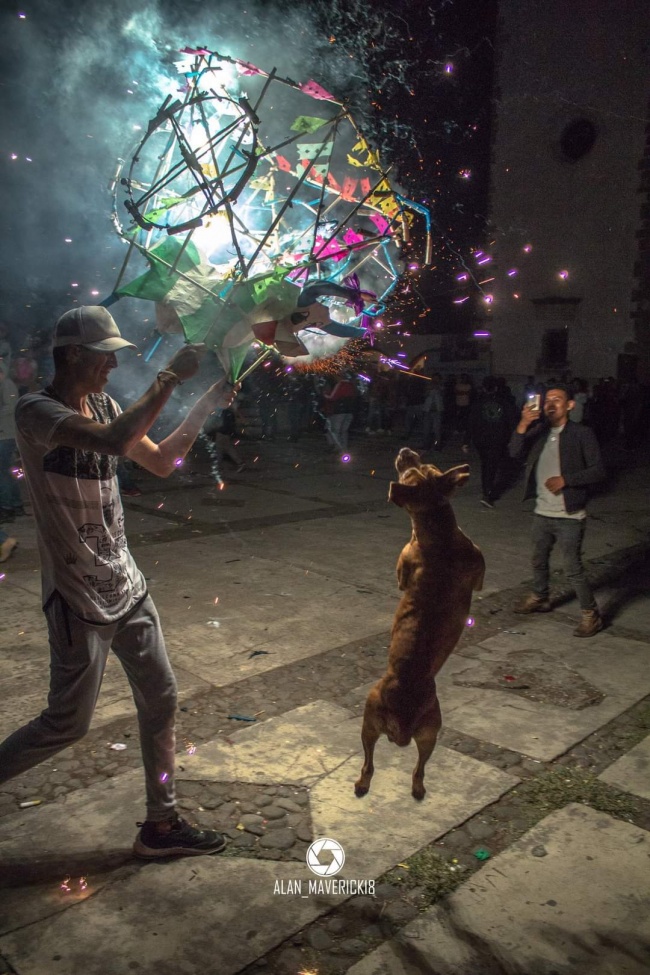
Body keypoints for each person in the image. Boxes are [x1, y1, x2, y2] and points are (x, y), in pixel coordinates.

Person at [0, 306, 238, 857]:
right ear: (74, 355)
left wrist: (202, 405)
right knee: (66, 723)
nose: (111, 365)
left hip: (127, 587)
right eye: (104, 354)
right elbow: (113, 441)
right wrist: (169, 378)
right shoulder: (36, 411)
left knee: (162, 700)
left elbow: (160, 463)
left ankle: (162, 824)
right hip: (76, 595)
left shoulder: (106, 403)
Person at [509, 384, 606, 637]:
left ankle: (591, 615)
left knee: (573, 568)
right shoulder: (539, 431)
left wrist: (567, 480)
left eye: (558, 399)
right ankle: (541, 598)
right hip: (542, 512)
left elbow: (598, 471)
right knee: (538, 560)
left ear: (570, 405)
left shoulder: (582, 433)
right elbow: (513, 452)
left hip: (569, 516)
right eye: (547, 400)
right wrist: (522, 424)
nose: (551, 404)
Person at [468, 376, 517, 507]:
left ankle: (486, 490)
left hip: (481, 439)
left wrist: (466, 440)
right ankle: (488, 493)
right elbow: (512, 422)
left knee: (486, 464)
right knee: (492, 465)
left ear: (484, 388)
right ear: (496, 388)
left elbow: (471, 422)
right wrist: (514, 439)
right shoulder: (504, 403)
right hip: (498, 439)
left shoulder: (478, 403)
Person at [0, 360, 24, 522]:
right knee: (8, 472)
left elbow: (11, 406)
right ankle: (16, 505)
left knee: (3, 473)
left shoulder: (7, 385)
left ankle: (7, 508)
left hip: (5, 435)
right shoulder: (4, 384)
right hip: (5, 435)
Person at [323, 373, 357, 453]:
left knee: (335, 431)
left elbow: (332, 397)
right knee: (344, 431)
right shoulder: (351, 385)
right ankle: (344, 448)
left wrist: (324, 394)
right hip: (349, 411)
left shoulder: (340, 384)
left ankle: (339, 448)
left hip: (339, 411)